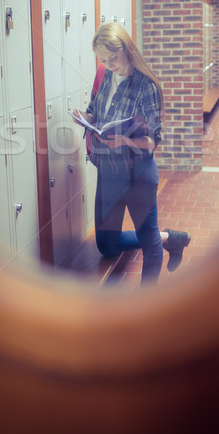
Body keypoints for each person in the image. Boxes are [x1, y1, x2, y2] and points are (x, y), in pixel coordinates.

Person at [73, 23, 190, 285]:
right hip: (109, 170)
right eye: (102, 59)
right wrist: (86, 117)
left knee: (149, 240)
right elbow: (94, 108)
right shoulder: (103, 74)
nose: (108, 64)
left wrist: (125, 140)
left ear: (127, 49)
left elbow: (153, 141)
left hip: (138, 172)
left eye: (112, 57)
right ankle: (171, 237)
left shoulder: (145, 85)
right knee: (106, 244)